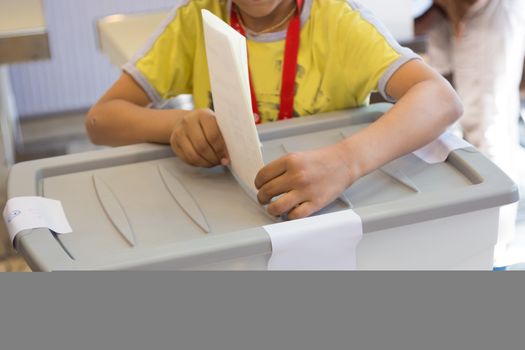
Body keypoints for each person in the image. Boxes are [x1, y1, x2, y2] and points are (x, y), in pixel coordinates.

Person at [87, 0, 462, 220]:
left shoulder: (337, 21)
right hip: (230, 214)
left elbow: (440, 98)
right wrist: (176, 124)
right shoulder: (199, 16)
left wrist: (348, 161)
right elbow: (101, 120)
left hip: (325, 217)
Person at [416, 0, 525, 266]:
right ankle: (473, 245)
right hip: (445, 11)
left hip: (479, 9)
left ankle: (493, 253)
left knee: (485, 127)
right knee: (447, 126)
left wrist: (460, 10)